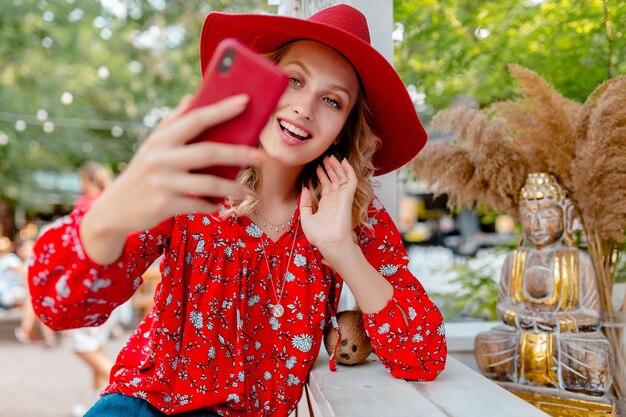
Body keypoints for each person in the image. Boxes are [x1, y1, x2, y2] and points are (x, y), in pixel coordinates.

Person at [28, 5, 446, 417]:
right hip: (147, 406)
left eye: (333, 101)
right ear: (263, 85)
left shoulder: (353, 213)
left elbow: (424, 356)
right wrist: (110, 215)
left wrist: (341, 249)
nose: (304, 107)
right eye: (293, 80)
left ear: (344, 130)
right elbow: (59, 308)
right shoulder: (198, 179)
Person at [474, 173, 611, 395]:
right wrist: (520, 317)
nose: (536, 225)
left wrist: (556, 322)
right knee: (488, 342)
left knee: (596, 355)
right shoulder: (514, 259)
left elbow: (592, 315)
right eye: (528, 217)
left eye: (547, 216)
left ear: (566, 218)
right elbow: (503, 306)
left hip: (564, 339)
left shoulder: (578, 260)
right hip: (521, 334)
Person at [66, 161, 122, 416]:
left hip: (90, 289)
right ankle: (97, 404)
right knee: (95, 347)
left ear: (85, 180)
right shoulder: (111, 202)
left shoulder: (87, 205)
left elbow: (77, 249)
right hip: (113, 288)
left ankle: (123, 393)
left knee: (84, 347)